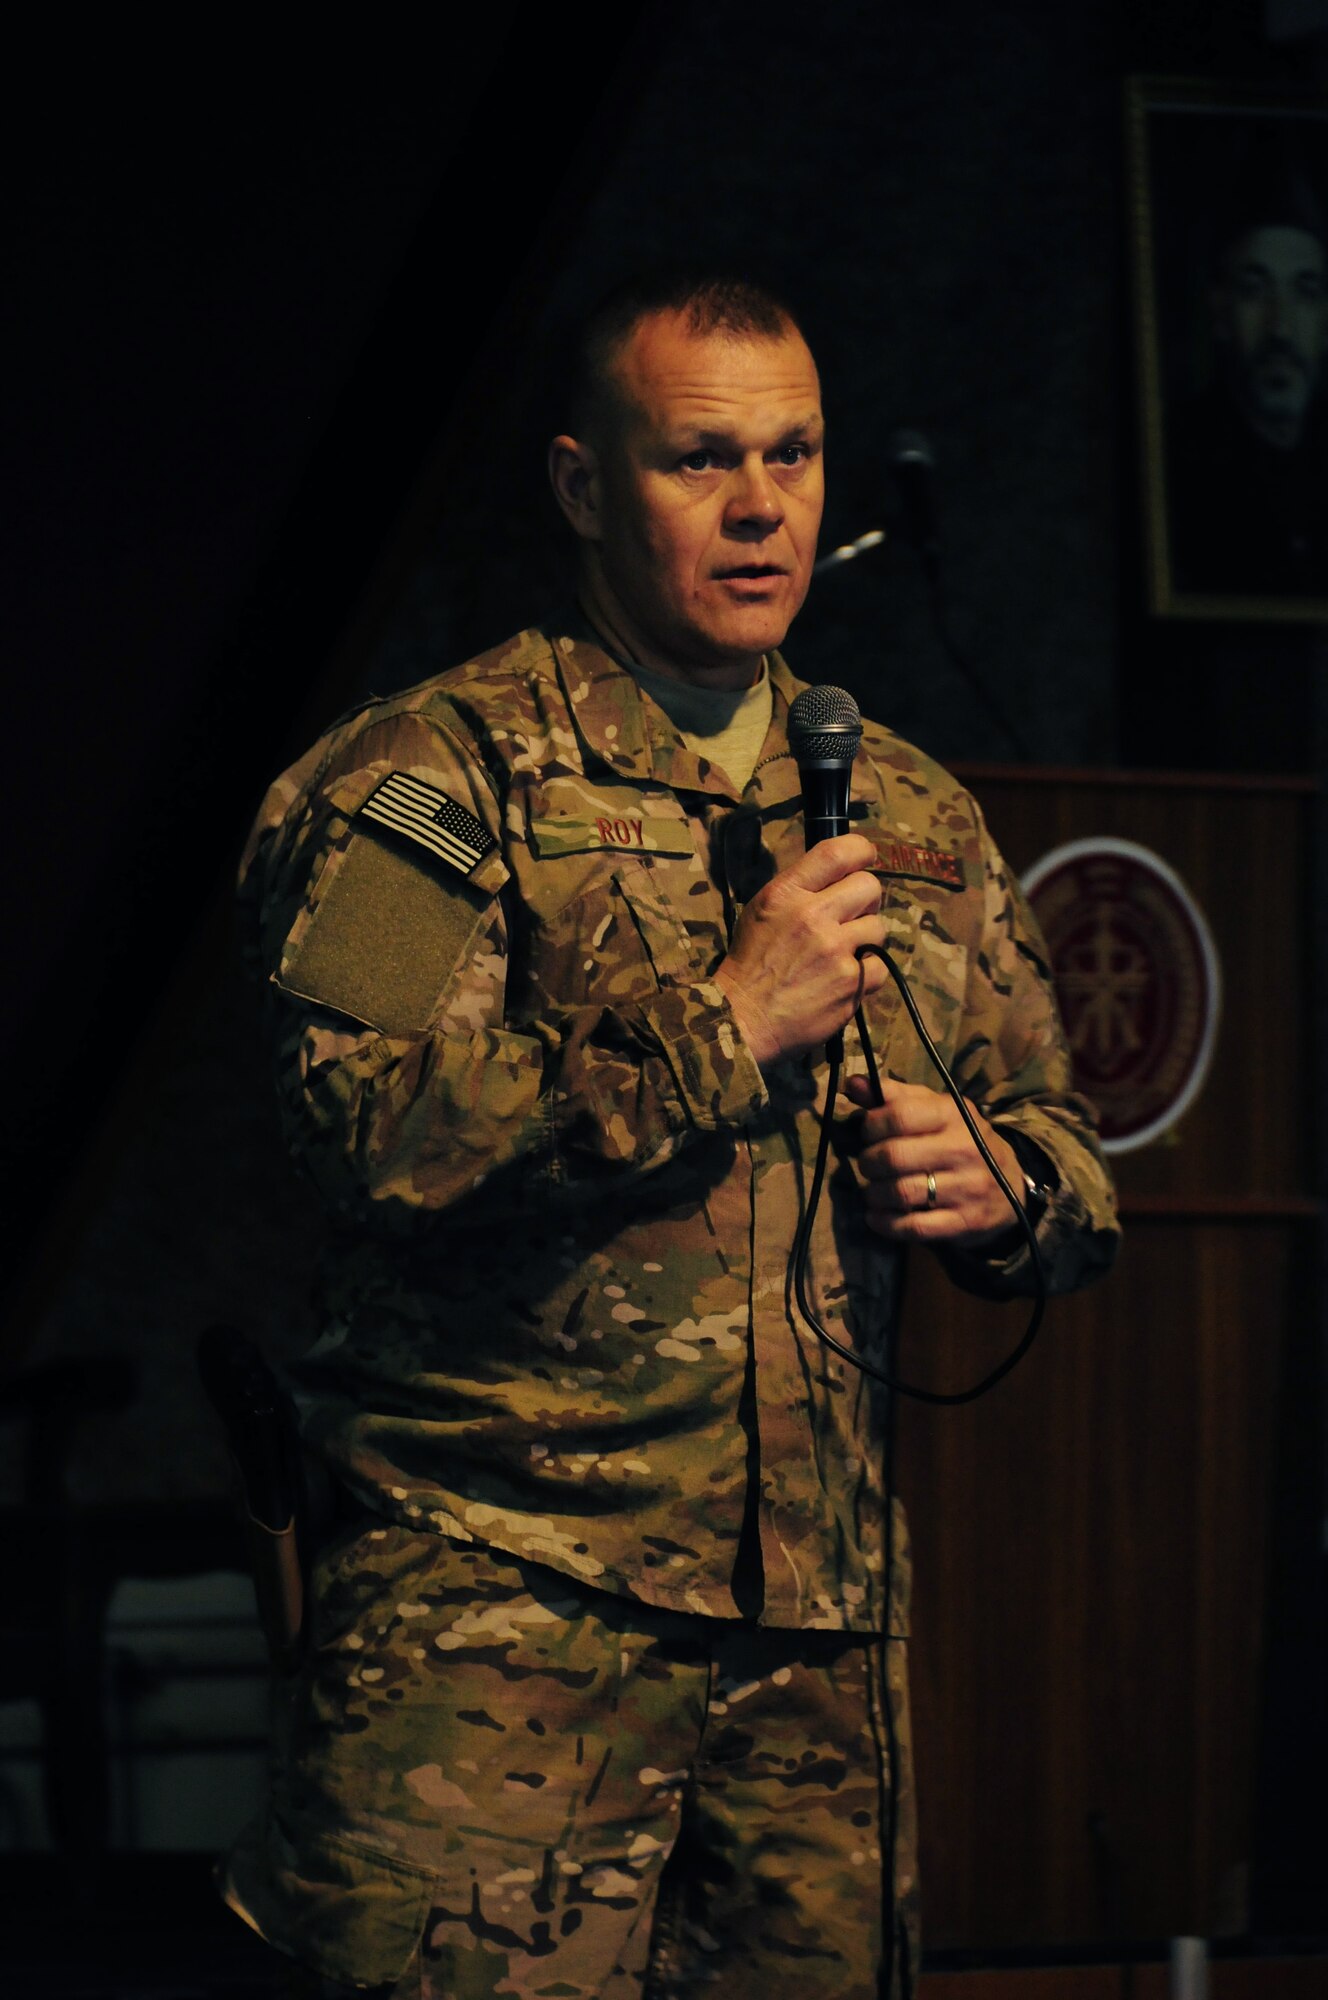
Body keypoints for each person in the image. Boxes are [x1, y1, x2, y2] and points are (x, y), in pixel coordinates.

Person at [222, 272, 1119, 1998]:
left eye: (792, 454)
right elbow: (356, 1129)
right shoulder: (423, 785)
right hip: (500, 1618)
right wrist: (719, 1025)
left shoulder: (912, 810)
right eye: (700, 458)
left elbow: (1068, 1158)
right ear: (580, 487)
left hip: (817, 1640)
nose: (761, 503)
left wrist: (1006, 1189)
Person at [1166, 145, 1328, 598]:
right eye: (1255, 290)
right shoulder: (1181, 461)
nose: (1281, 328)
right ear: (1219, 312)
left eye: (1306, 292)